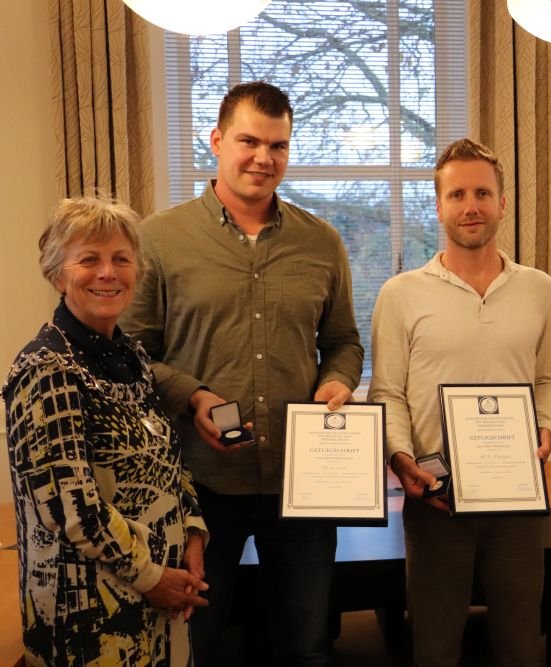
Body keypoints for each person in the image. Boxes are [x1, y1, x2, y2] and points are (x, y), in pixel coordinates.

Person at [120, 81, 364, 666]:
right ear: (217, 141)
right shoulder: (158, 239)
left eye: (278, 145)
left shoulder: (322, 242)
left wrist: (338, 382)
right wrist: (191, 394)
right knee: (196, 644)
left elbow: (343, 342)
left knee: (306, 644)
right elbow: (127, 353)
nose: (263, 157)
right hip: (195, 484)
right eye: (249, 141)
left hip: (300, 486)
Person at [367, 138, 551, 666]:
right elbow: (387, 392)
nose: (470, 205)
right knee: (434, 643)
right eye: (456, 195)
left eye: (482, 193)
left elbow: (548, 378)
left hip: (518, 497)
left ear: (503, 202)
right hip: (435, 496)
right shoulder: (400, 293)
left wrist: (546, 430)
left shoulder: (539, 288)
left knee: (522, 643)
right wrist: (402, 461)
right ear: (439, 206)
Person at [3, 196, 209, 666]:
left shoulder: (133, 356)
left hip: (163, 594)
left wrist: (194, 532)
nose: (107, 273)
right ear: (58, 274)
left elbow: (169, 457)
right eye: (88, 259)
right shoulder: (45, 369)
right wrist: (151, 577)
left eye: (121, 259)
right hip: (88, 615)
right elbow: (69, 507)